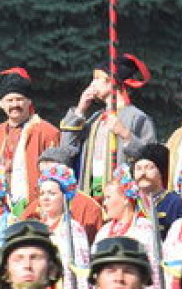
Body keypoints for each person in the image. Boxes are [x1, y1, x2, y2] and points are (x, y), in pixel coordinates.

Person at [60, 54, 156, 199]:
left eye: (97, 79)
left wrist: (126, 134)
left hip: (121, 196)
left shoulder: (137, 117)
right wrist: (80, 110)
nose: (92, 84)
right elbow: (67, 147)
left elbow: (152, 159)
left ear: (111, 82)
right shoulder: (95, 118)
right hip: (89, 192)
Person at [0, 67, 62, 212]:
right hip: (2, 209)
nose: (14, 104)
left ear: (29, 102)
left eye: (19, 99)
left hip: (37, 209)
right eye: (9, 100)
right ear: (1, 104)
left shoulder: (47, 132)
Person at [94, 165, 163, 289]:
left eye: (108, 197)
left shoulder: (144, 229)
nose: (104, 203)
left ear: (125, 199)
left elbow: (155, 275)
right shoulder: (104, 232)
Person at [34, 163, 92, 289]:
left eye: (52, 193)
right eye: (42, 193)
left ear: (64, 197)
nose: (45, 198)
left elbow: (81, 272)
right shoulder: (38, 229)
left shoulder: (73, 229)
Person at [126, 140, 182, 240]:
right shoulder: (130, 202)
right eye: (138, 168)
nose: (143, 173)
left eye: (149, 168)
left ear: (161, 172)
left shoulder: (176, 202)